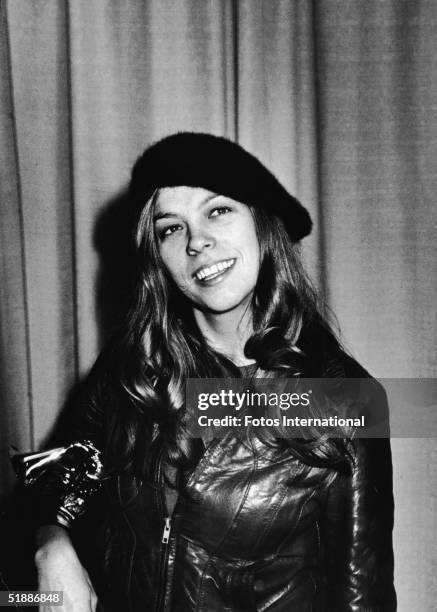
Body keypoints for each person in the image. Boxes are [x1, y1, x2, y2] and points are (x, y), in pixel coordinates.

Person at [32, 133, 396, 611]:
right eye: (170, 228)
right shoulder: (130, 368)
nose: (197, 241)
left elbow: (362, 600)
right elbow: (55, 485)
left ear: (263, 226)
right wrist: (50, 544)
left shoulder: (346, 400)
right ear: (156, 255)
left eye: (218, 210)